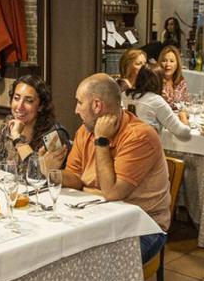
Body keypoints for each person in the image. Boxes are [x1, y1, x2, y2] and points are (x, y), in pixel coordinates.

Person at [42, 74, 171, 263]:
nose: (76, 110)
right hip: (97, 218)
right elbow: (76, 179)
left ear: (96, 105)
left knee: (81, 264)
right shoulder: (84, 131)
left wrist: (101, 141)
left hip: (142, 228)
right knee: (52, 252)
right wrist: (51, 172)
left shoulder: (139, 136)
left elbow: (111, 193)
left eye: (79, 102)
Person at [0, 75, 69, 177]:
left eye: (29, 100)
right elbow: (0, 156)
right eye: (16, 98)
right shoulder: (9, 122)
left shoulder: (54, 134)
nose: (19, 106)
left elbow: (36, 172)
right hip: (13, 189)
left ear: (41, 106)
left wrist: (17, 138)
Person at [124, 65, 193, 141]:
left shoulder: (124, 95)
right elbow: (185, 135)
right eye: (162, 79)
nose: (164, 82)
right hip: (148, 149)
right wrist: (183, 116)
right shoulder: (155, 101)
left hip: (125, 146)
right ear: (158, 82)